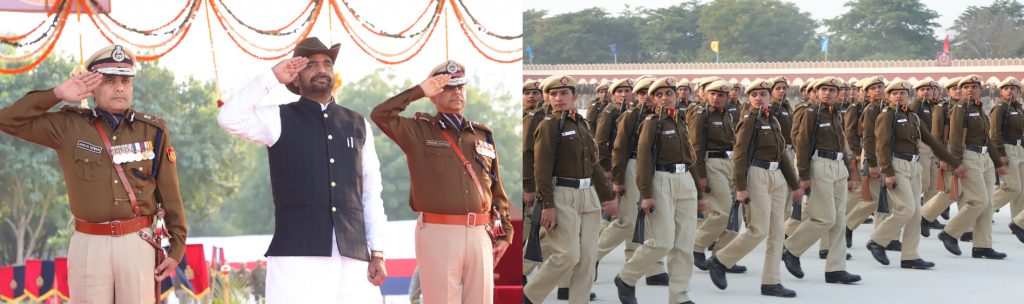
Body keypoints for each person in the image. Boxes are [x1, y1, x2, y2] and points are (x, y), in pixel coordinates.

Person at [0, 44, 186, 303]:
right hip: (89, 244)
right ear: (92, 86)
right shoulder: (69, 126)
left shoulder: (153, 130)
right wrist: (56, 94)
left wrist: (176, 249)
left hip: (137, 241)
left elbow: (170, 195)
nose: (120, 87)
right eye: (109, 81)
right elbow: (7, 120)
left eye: (125, 80)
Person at [217, 37, 388, 302]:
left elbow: (371, 191)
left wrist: (377, 251)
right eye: (312, 64)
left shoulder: (357, 124)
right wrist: (273, 76)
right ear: (295, 78)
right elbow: (229, 117)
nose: (321, 69)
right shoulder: (278, 118)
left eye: (327, 64)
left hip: (353, 254)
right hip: (297, 255)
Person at [372, 60, 514, 303]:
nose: (456, 92)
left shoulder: (481, 134)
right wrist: (419, 90)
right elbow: (380, 114)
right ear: (433, 95)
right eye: (447, 88)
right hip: (439, 232)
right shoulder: (418, 131)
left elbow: (495, 188)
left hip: (481, 232)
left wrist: (506, 231)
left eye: (460, 87)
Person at [524, 74, 617, 304]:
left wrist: (607, 196)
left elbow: (592, 164)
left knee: (587, 259)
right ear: (547, 98)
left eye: (564, 93)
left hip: (588, 196)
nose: (558, 98)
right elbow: (542, 169)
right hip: (561, 193)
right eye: (553, 94)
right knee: (567, 255)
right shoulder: (548, 125)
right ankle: (529, 296)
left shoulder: (581, 123)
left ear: (574, 96)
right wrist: (547, 204)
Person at [707, 79, 802, 297]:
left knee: (778, 231)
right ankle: (721, 260)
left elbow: (782, 156)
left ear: (769, 97)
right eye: (754, 95)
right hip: (756, 175)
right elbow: (739, 154)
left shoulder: (774, 120)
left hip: (776, 175)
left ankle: (771, 282)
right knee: (759, 228)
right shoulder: (749, 121)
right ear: (748, 99)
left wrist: (794, 184)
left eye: (763, 94)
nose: (759, 98)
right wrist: (740, 186)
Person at [615, 77, 704, 304]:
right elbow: (643, 159)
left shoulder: (681, 121)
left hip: (685, 180)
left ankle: (679, 296)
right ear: (653, 100)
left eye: (669, 94)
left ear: (676, 96)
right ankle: (626, 277)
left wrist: (700, 194)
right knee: (663, 241)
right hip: (661, 181)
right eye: (659, 95)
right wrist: (646, 194)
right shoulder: (651, 123)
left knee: (684, 244)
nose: (665, 98)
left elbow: (690, 158)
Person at [865, 80, 965, 270]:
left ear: (908, 95)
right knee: (906, 208)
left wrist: (954, 162)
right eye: (894, 93)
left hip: (914, 165)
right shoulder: (887, 115)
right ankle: (877, 240)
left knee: (916, 213)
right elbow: (882, 145)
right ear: (888, 96)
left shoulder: (912, 117)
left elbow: (932, 142)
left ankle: (910, 255)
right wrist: (888, 171)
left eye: (902, 92)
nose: (899, 95)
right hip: (896, 164)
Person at [781, 77, 862, 285]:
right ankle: (791, 249)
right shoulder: (811, 112)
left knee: (839, 220)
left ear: (838, 93)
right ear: (816, 92)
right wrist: (804, 175)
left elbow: (842, 144)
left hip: (838, 167)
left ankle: (836, 269)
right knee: (824, 218)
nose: (828, 93)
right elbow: (802, 142)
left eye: (832, 90)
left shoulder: (835, 113)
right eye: (824, 89)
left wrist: (850, 171)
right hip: (820, 164)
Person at [936, 75, 1009, 259]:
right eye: (966, 87)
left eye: (974, 86)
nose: (970, 89)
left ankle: (982, 246)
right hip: (968, 156)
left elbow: (987, 139)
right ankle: (950, 232)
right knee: (978, 200)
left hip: (984, 157)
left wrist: (997, 162)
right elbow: (954, 137)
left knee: (988, 203)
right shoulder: (960, 108)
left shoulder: (979, 107)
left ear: (980, 89)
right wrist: (956, 161)